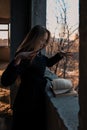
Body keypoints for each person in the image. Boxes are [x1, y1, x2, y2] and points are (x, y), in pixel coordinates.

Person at [1, 25, 72, 130]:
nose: (43, 44)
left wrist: (59, 55)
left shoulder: (38, 55)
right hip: (26, 104)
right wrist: (18, 58)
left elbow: (46, 63)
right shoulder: (25, 56)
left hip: (36, 101)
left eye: (46, 41)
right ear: (35, 38)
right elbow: (6, 81)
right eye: (42, 40)